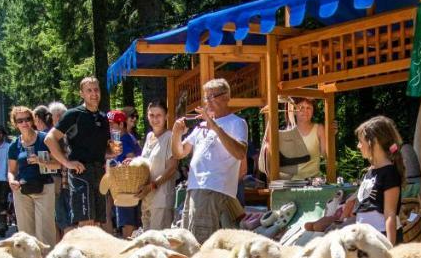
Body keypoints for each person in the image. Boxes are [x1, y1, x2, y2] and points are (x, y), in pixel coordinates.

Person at [172, 78, 249, 243]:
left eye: (212, 96)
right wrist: (176, 133)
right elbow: (180, 153)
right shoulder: (201, 126)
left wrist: (214, 126)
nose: (208, 101)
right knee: (189, 241)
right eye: (206, 97)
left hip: (213, 188)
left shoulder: (237, 122)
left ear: (226, 97)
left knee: (201, 242)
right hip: (194, 188)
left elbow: (240, 153)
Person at [327, 116, 403, 246]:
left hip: (381, 237)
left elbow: (390, 213)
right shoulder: (369, 172)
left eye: (360, 141)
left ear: (374, 141)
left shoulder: (389, 173)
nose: (358, 146)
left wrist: (390, 247)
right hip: (364, 239)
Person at [53, 76, 109, 226]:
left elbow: (102, 150)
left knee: (97, 224)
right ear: (81, 94)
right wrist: (67, 163)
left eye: (96, 89)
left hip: (99, 173)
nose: (94, 94)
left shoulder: (103, 117)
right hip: (81, 173)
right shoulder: (73, 115)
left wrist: (112, 152)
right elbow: (50, 139)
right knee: (86, 224)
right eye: (89, 90)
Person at [6, 105, 57, 246]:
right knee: (26, 235)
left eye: (27, 119)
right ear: (15, 124)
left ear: (33, 120)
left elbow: (59, 164)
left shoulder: (45, 139)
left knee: (45, 233)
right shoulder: (14, 145)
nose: (24, 123)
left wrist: (41, 161)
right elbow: (11, 171)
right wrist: (11, 181)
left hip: (44, 188)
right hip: (22, 190)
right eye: (20, 120)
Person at [258, 97, 327, 180]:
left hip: (312, 183)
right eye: (301, 107)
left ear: (313, 111)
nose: (305, 111)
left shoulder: (319, 129)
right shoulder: (287, 133)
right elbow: (268, 143)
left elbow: (326, 154)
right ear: (294, 111)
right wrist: (272, 112)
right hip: (290, 184)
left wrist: (330, 136)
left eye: (308, 108)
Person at [138, 101, 179, 231]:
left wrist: (152, 186)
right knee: (146, 244)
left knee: (158, 244)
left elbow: (172, 168)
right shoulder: (149, 136)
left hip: (162, 199)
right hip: (146, 198)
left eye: (159, 115)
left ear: (166, 116)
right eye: (151, 115)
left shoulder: (170, 137)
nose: (155, 119)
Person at [106, 109, 141, 237]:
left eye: (111, 124)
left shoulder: (124, 139)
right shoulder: (126, 138)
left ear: (121, 125)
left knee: (127, 224)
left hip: (126, 187)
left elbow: (131, 159)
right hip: (123, 186)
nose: (109, 128)